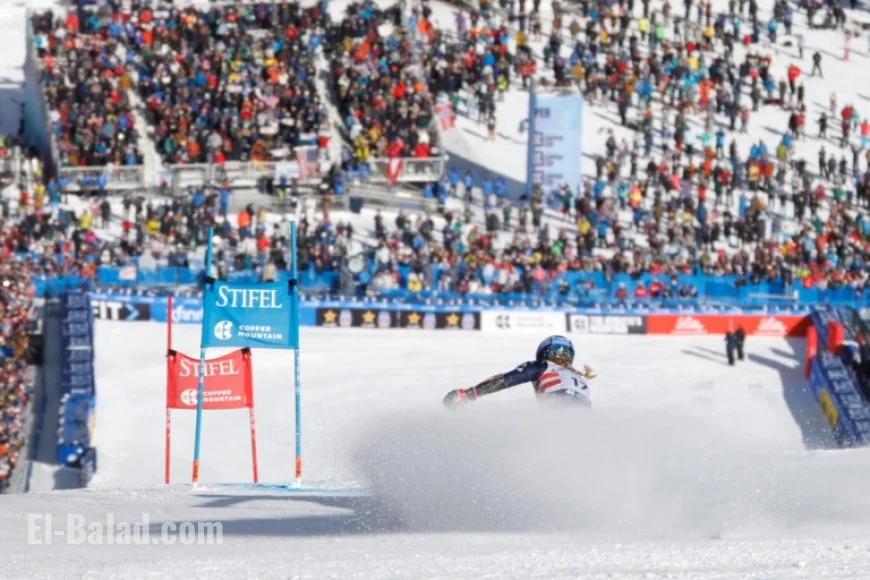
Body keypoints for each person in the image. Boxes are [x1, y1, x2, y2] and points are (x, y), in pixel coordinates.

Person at [443, 336, 596, 407]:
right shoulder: (580, 378)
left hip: (557, 410)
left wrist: (468, 394)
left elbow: (506, 380)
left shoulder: (542, 366)